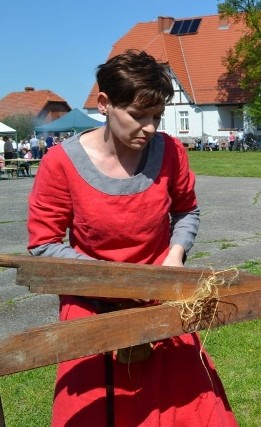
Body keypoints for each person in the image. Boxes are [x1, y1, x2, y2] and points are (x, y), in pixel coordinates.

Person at [27, 50, 237, 426]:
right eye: (138, 116)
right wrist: (114, 281)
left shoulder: (170, 152)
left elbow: (187, 211)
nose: (150, 128)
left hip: (160, 297)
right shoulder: (61, 163)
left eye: (157, 117)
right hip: (92, 302)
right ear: (105, 104)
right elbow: (44, 244)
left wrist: (174, 256)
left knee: (195, 410)